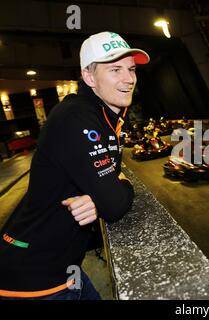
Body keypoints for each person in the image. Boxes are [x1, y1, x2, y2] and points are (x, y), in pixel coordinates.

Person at [0, 31, 149, 300]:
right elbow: (114, 205)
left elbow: (103, 188)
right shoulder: (78, 117)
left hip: (65, 270)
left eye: (131, 69)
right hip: (33, 278)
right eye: (115, 69)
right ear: (89, 77)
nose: (129, 79)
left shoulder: (103, 114)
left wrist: (99, 195)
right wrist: (120, 185)